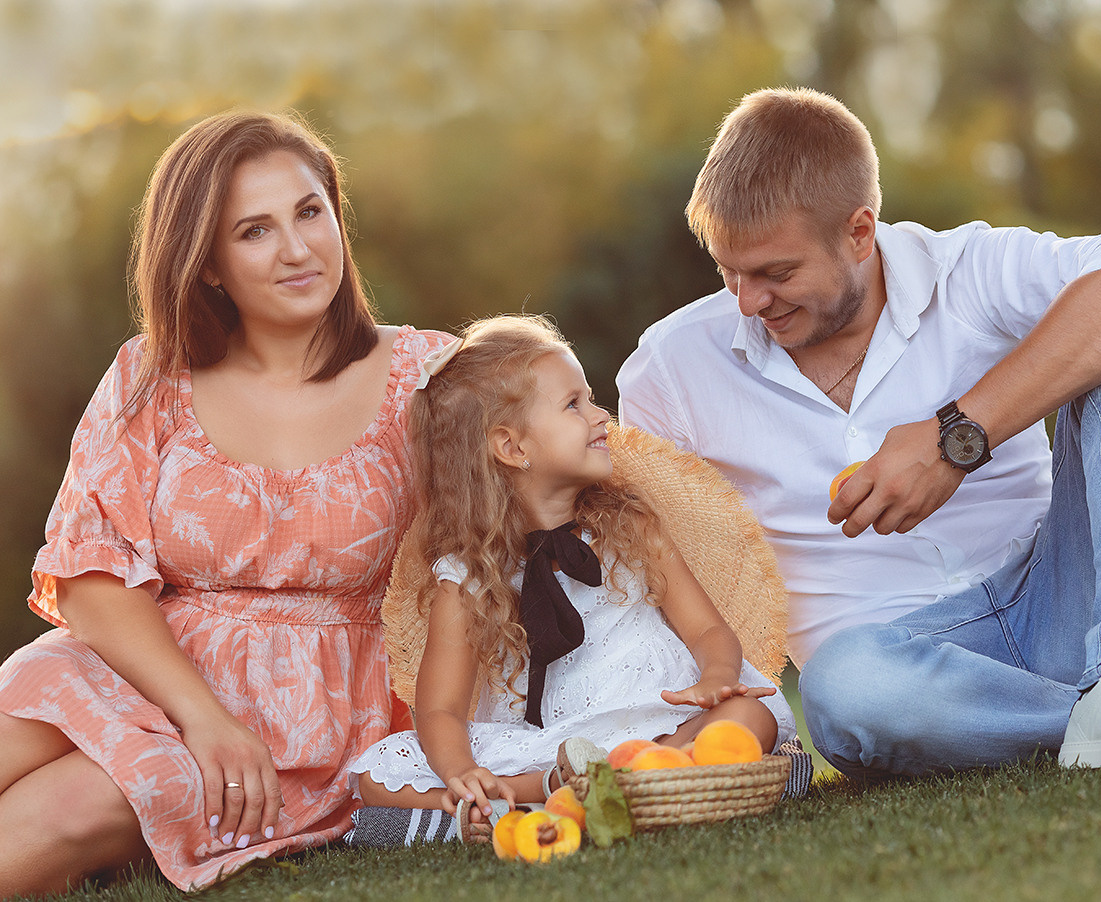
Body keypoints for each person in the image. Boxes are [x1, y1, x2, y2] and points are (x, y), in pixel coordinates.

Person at [617, 85, 1101, 778]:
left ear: (860, 232)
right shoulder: (669, 367)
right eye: (728, 272)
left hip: (1059, 595)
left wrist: (957, 437)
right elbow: (657, 562)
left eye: (777, 273)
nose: (747, 301)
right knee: (845, 691)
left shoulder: (965, 271)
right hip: (893, 666)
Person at [0, 111, 451, 895]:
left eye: (310, 213)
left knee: (58, 814)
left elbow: (560, 482)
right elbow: (90, 570)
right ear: (207, 265)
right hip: (149, 666)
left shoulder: (432, 377)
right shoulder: (153, 376)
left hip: (312, 713)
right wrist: (203, 715)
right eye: (254, 231)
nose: (297, 249)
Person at [347, 314, 796, 841]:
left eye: (590, 398)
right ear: (512, 448)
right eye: (574, 405)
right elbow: (440, 709)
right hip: (545, 746)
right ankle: (581, 787)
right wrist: (461, 773)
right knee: (377, 776)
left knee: (749, 714)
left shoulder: (630, 527)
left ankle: (582, 791)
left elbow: (706, 630)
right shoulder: (468, 578)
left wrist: (717, 677)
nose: (601, 415)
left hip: (654, 717)